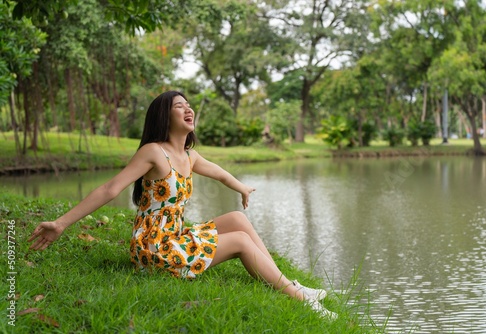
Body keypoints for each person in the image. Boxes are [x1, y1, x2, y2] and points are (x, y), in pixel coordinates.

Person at [28, 90, 337, 319]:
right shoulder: (153, 152)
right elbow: (110, 188)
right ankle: (298, 297)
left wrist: (242, 187)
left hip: (175, 238)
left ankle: (286, 283)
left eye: (189, 105)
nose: (188, 109)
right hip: (154, 249)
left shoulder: (190, 155)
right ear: (165, 116)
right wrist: (61, 223)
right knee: (241, 241)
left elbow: (218, 173)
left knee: (237, 220)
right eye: (180, 106)